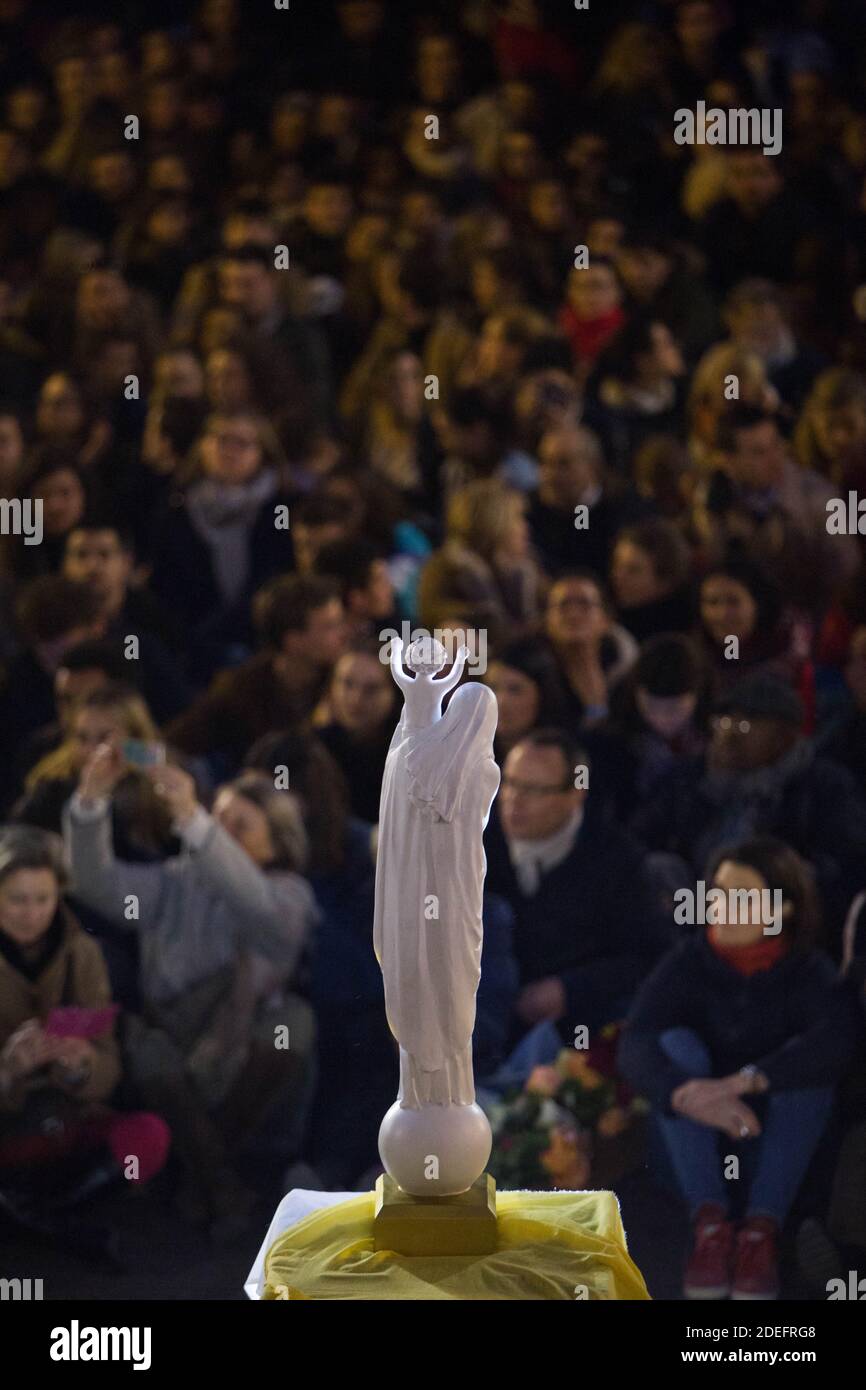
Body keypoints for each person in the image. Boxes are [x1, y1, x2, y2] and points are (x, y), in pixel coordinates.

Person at [64, 748, 318, 1240]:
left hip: (236, 1049)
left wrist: (193, 819)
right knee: (148, 1050)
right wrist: (90, 803)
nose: (216, 832)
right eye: (215, 819)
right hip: (173, 1042)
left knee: (294, 1022)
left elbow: (256, 907)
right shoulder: (174, 883)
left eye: (238, 826)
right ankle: (220, 1187)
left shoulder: (289, 893)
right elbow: (96, 884)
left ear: (274, 845)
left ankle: (199, 1174)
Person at [619, 837, 860, 1301]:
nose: (722, 908)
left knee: (806, 1074)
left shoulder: (808, 970)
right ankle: (710, 1228)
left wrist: (746, 1080)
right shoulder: (689, 961)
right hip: (695, 1148)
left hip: (775, 1144)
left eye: (743, 897)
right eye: (718, 893)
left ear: (782, 910)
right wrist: (686, 1094)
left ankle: (760, 1234)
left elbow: (835, 1043)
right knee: (676, 1046)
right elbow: (637, 1039)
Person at [0, 826, 169, 1237]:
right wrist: (9, 1071)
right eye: (16, 900)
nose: (31, 913)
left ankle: (41, 1212)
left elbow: (107, 1063)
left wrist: (80, 1066)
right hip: (8, 1130)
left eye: (43, 899)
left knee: (147, 1136)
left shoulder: (82, 953)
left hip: (66, 1120)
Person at [631, 675, 866, 945]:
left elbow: (843, 862)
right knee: (658, 869)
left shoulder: (823, 786)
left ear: (783, 736)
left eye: (742, 725)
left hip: (773, 910)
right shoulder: (689, 778)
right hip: (695, 904)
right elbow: (639, 838)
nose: (727, 735)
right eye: (722, 722)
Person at [484, 727, 670, 1056]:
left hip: (574, 1027)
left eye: (534, 790)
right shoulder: (475, 843)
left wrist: (570, 988)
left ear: (575, 795)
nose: (514, 800)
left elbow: (649, 957)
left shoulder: (617, 860)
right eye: (509, 783)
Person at [167, 574, 346, 773]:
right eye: (330, 626)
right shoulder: (244, 690)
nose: (344, 633)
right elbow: (178, 741)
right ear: (293, 641)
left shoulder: (348, 679)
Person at [540, 571, 639, 730]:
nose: (573, 615)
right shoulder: (531, 672)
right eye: (563, 605)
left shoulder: (627, 674)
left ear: (605, 620)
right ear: (547, 620)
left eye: (585, 604)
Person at [314, 641, 400, 823]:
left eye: (372, 689)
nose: (356, 700)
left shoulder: (410, 755)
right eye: (347, 684)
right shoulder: (314, 747)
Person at [609, 518, 694, 643]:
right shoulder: (611, 620)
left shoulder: (677, 636)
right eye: (617, 564)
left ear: (665, 581)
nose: (617, 576)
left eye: (633, 570)